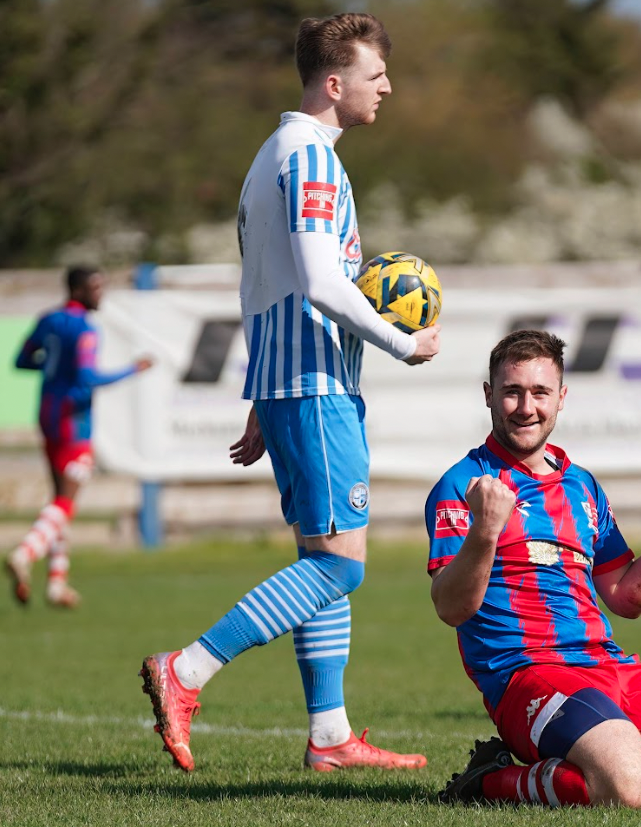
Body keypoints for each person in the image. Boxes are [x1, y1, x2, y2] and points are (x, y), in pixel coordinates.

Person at [139, 12, 439, 774]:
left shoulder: (271, 154)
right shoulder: (308, 157)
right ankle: (187, 669)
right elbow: (316, 278)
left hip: (290, 381)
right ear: (334, 84)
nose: (388, 88)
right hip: (311, 385)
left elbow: (262, 285)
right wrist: (402, 342)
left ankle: (330, 734)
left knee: (319, 552)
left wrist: (261, 393)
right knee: (340, 564)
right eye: (376, 76)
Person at [427, 330, 641, 808]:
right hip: (528, 675)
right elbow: (450, 608)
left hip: (608, 666)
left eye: (540, 393)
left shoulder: (581, 485)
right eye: (511, 392)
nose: (525, 407)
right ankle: (487, 781)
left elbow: (625, 597)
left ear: (562, 398)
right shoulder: (466, 485)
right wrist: (485, 532)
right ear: (489, 395)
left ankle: (626, 765)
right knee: (628, 786)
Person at [5, 265, 153, 608]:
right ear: (78, 290)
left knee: (59, 499)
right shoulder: (85, 329)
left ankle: (57, 581)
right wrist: (134, 369)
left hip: (47, 415)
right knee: (66, 502)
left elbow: (22, 361)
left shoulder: (49, 320)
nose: (100, 293)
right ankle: (25, 553)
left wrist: (54, 368)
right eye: (95, 287)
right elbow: (87, 379)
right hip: (74, 420)